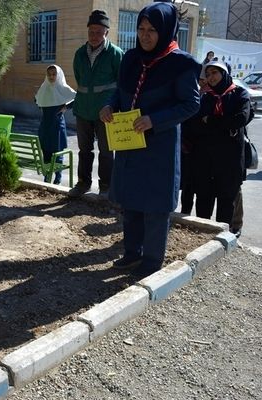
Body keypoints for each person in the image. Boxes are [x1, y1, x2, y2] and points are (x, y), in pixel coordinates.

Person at [99, 2, 201, 276]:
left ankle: (152, 263)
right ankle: (132, 253)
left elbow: (191, 104)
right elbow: (119, 93)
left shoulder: (182, 64)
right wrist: (110, 106)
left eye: (152, 30)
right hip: (130, 143)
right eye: (141, 29)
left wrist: (154, 120)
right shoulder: (131, 58)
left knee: (155, 206)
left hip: (159, 148)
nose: (145, 35)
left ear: (166, 30)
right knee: (131, 200)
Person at [186, 60, 249, 232]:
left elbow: (240, 118)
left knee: (226, 200)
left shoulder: (239, 94)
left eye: (215, 72)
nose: (211, 77)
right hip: (205, 159)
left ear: (224, 73)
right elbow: (194, 125)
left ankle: (224, 235)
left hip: (230, 160)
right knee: (204, 199)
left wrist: (211, 121)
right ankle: (202, 233)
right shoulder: (205, 98)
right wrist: (223, 125)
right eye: (208, 74)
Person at [69, 9, 123, 197]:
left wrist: (112, 106)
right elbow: (78, 78)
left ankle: (106, 187)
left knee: (107, 151)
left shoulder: (115, 54)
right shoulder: (79, 54)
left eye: (99, 32)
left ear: (106, 32)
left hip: (105, 111)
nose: (94, 35)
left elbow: (121, 84)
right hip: (83, 109)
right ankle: (83, 183)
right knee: (84, 150)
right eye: (91, 31)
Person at [35, 65, 76, 184]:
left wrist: (65, 107)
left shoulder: (63, 87)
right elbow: (37, 100)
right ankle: (47, 178)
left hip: (57, 125)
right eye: (49, 74)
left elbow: (76, 98)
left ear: (58, 75)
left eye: (54, 74)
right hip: (45, 125)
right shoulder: (44, 87)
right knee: (46, 152)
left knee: (58, 152)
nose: (51, 76)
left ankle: (57, 179)